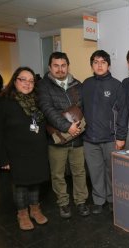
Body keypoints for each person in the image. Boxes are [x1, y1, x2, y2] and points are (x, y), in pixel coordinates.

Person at [38, 52, 89, 218]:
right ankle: (63, 203)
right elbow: (47, 109)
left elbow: (82, 107)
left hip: (78, 138)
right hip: (57, 139)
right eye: (56, 65)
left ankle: (81, 201)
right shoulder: (44, 85)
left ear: (68, 66)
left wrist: (77, 127)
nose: (60, 69)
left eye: (63, 65)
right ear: (50, 67)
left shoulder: (78, 84)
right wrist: (68, 127)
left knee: (79, 172)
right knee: (58, 174)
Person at [0, 67, 49, 230]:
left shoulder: (36, 100)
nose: (27, 83)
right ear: (15, 81)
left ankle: (35, 209)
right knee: (20, 185)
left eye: (31, 80)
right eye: (23, 79)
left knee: (35, 182)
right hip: (16, 153)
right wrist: (2, 158)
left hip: (37, 151)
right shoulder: (3, 102)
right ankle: (22, 214)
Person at [81, 50, 128, 214]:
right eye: (95, 62)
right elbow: (81, 110)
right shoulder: (86, 84)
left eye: (103, 62)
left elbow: (123, 112)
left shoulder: (116, 85)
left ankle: (112, 199)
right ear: (91, 65)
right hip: (89, 139)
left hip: (110, 139)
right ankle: (99, 200)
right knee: (95, 172)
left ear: (109, 64)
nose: (99, 65)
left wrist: (121, 137)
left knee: (111, 172)